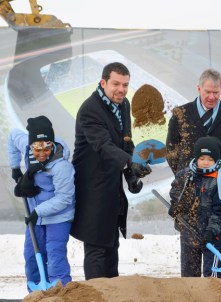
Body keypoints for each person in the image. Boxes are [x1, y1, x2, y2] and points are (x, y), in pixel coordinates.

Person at [70, 62, 150, 280]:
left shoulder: (123, 105)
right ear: (103, 82)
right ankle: (96, 294)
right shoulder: (90, 110)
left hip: (112, 186)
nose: (121, 90)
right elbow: (103, 146)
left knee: (111, 243)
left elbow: (125, 142)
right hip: (92, 187)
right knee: (96, 246)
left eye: (125, 85)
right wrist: (129, 163)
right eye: (116, 84)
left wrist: (131, 174)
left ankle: (112, 292)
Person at [166, 68, 221, 277]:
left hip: (220, 198)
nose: (211, 97)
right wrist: (188, 178)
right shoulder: (180, 115)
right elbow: (172, 151)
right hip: (191, 201)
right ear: (199, 88)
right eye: (207, 91)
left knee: (217, 260)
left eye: (216, 93)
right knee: (190, 257)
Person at [7, 115, 75, 290]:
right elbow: (13, 135)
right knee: (31, 256)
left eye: (46, 148)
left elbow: (64, 198)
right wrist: (15, 167)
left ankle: (61, 293)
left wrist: (38, 211)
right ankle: (36, 294)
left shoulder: (62, 167)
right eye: (37, 149)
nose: (42, 153)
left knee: (55, 256)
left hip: (58, 216)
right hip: (35, 215)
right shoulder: (27, 148)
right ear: (31, 146)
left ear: (52, 144)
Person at [168, 136, 221, 277]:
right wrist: (176, 206)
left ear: (216, 160)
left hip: (212, 236)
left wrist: (211, 231)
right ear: (196, 158)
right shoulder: (185, 175)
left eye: (210, 159)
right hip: (189, 231)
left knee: (211, 276)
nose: (205, 163)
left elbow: (220, 212)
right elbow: (176, 192)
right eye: (202, 158)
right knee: (189, 274)